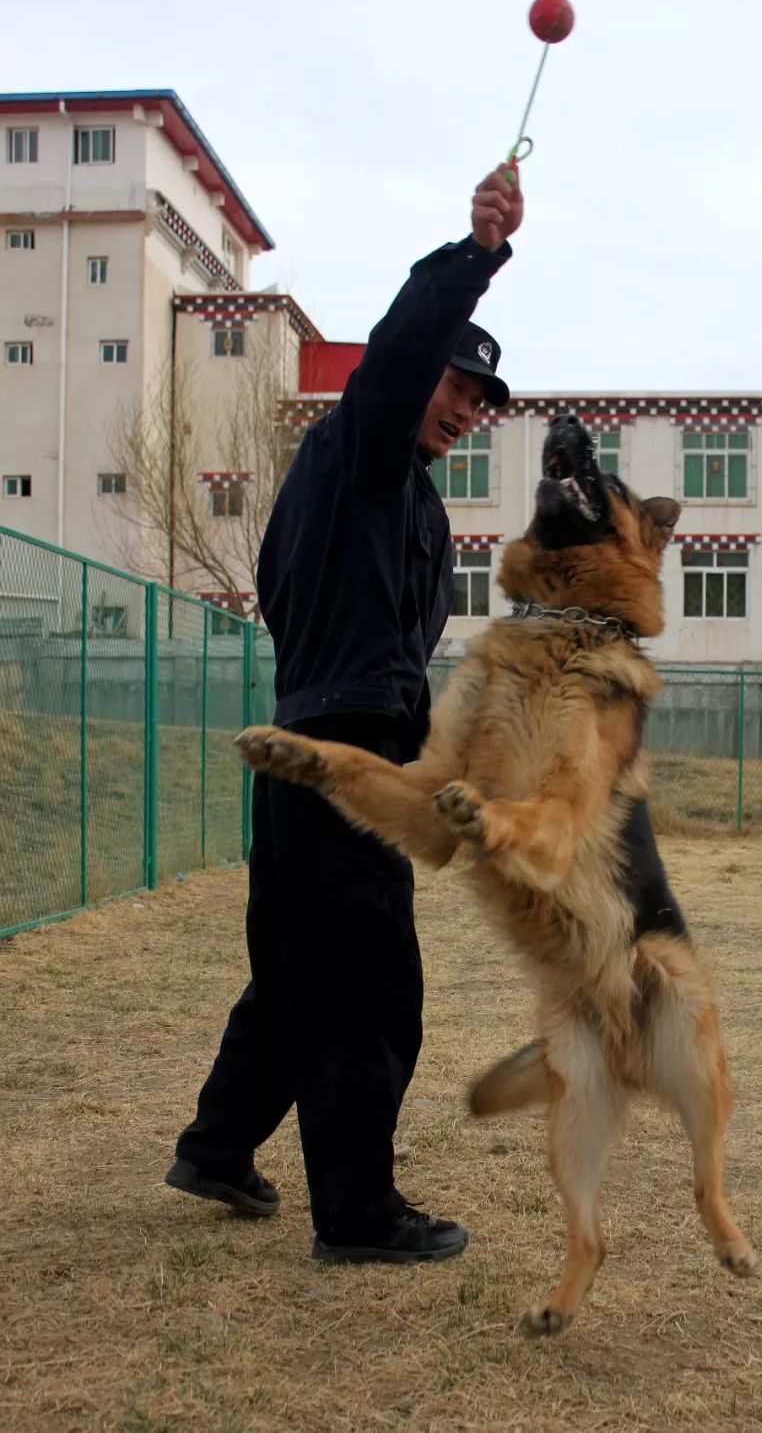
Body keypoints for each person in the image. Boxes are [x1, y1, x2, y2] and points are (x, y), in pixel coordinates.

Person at [165, 162, 523, 1264]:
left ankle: (217, 1147)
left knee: (294, 968)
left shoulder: (388, 492)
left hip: (307, 753)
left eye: (479, 401)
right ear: (413, 379)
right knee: (368, 981)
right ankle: (358, 1213)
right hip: (343, 756)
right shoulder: (362, 449)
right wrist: (476, 254)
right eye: (455, 386)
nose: (464, 409)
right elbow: (401, 350)